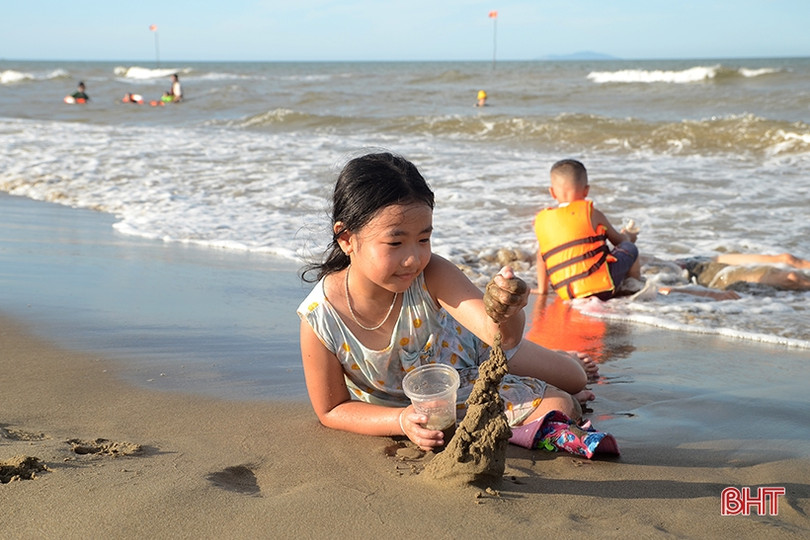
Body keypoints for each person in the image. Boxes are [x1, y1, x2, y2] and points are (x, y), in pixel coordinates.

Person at [297, 152, 594, 452]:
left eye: (423, 239)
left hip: (476, 347)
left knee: (575, 380)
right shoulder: (321, 318)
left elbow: (501, 337)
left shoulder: (431, 274)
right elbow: (331, 409)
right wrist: (400, 420)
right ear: (346, 238)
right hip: (446, 394)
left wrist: (508, 307)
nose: (413, 258)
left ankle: (554, 360)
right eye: (395, 243)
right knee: (560, 403)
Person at [534, 159, 640, 301]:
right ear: (586, 190)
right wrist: (629, 236)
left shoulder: (543, 221)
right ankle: (634, 286)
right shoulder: (592, 213)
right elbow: (619, 242)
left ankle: (625, 285)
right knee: (629, 248)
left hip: (567, 293)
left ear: (552, 192)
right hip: (600, 289)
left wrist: (542, 290)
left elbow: (542, 257)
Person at [657, 252, 810, 300]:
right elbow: (658, 290)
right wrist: (712, 294)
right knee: (791, 278)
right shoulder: (633, 257)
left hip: (699, 260)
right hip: (707, 277)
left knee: (787, 259)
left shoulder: (633, 250)